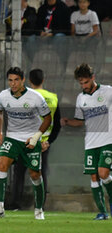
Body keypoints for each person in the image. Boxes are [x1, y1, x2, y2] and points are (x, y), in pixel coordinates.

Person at [0, 67, 51, 220]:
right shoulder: (3, 96)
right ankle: (0, 207)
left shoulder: (35, 97)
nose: (13, 83)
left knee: (35, 175)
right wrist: (0, 132)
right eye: (10, 80)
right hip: (12, 138)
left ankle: (38, 209)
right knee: (2, 164)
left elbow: (48, 118)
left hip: (31, 139)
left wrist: (37, 137)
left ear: (23, 80)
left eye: (16, 80)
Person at [61, 63, 112, 220]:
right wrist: (68, 122)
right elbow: (80, 121)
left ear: (93, 78)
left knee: (103, 173)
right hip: (90, 143)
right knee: (94, 177)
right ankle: (103, 213)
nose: (83, 86)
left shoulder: (108, 92)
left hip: (108, 140)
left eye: (86, 82)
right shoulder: (80, 98)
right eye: (81, 83)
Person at [8, 69, 61, 210]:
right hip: (43, 142)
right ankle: (40, 205)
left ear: (28, 80)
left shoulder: (27, 97)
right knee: (41, 173)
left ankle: (15, 204)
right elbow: (56, 124)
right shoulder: (53, 97)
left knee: (19, 172)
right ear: (43, 80)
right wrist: (48, 141)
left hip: (24, 140)